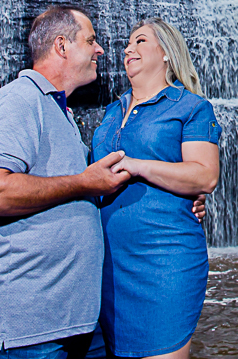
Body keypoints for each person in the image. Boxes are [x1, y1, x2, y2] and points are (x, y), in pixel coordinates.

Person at [0, 6, 205, 359]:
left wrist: (181, 196)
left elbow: (95, 184)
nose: (102, 50)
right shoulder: (19, 100)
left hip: (74, 320)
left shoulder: (61, 113)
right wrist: (83, 182)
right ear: (62, 46)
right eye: (91, 40)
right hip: (23, 329)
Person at [92, 18, 221, 359]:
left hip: (165, 259)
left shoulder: (191, 107)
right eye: (127, 43)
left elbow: (205, 176)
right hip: (107, 265)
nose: (128, 49)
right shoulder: (111, 112)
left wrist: (139, 166)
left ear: (166, 52)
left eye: (140, 41)